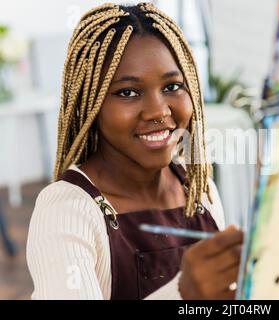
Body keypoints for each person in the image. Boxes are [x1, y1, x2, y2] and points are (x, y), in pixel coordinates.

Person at [26, 2, 243, 300]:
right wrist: (183, 291)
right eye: (127, 92)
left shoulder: (198, 188)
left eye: (172, 86)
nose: (158, 111)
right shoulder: (66, 211)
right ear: (91, 106)